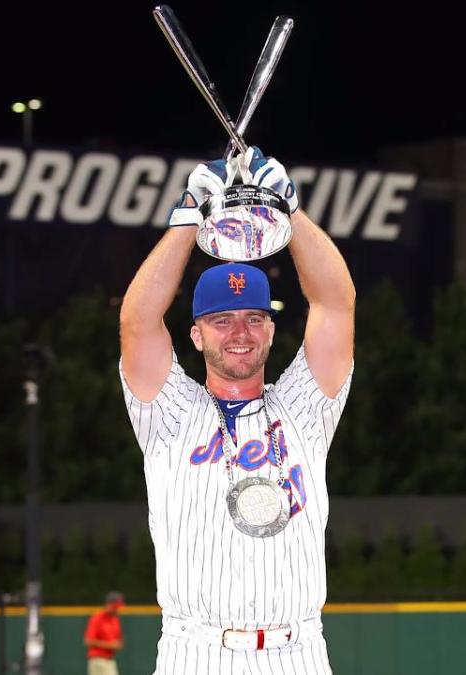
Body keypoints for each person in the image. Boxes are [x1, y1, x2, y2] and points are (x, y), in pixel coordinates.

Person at [119, 147, 355, 674]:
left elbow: (335, 303)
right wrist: (187, 215)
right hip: (196, 652)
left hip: (297, 653)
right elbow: (138, 322)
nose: (241, 333)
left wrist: (292, 212)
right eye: (222, 321)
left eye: (253, 318)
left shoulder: (304, 407)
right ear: (197, 334)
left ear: (271, 330)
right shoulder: (170, 413)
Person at [84, 591, 125, 675]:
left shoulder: (115, 620)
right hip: (97, 660)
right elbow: (88, 641)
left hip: (110, 660)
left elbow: (119, 641)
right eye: (115, 607)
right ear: (108, 605)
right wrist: (109, 645)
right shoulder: (97, 618)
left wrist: (118, 645)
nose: (117, 609)